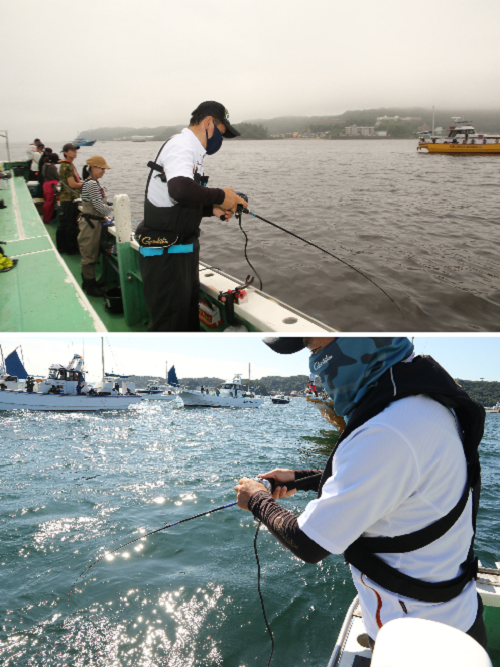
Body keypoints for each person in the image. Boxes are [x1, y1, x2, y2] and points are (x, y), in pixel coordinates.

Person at [234, 337, 487, 651]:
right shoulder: (418, 402)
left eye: (315, 348)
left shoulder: (387, 431)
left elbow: (309, 543)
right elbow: (384, 479)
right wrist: (298, 479)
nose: (315, 364)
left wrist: (257, 499)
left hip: (422, 644)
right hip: (452, 620)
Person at [135, 101, 248, 332]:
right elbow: (179, 188)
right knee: (170, 326)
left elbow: (177, 200)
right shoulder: (182, 145)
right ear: (208, 123)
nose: (220, 139)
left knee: (186, 321)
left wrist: (213, 209)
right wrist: (221, 196)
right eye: (221, 132)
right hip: (166, 256)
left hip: (181, 253)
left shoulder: (194, 153)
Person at [78, 155, 113, 296]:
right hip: (90, 224)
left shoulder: (92, 182)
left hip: (94, 222)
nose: (103, 171)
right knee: (89, 255)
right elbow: (99, 206)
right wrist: (113, 208)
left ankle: (89, 282)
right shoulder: (91, 183)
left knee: (92, 253)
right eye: (101, 168)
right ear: (92, 168)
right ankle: (90, 287)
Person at [57, 143, 83, 254]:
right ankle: (71, 249)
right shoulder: (67, 166)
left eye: (75, 150)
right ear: (65, 152)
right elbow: (72, 184)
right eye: (71, 150)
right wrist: (87, 184)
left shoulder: (66, 165)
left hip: (66, 198)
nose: (74, 152)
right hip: (70, 198)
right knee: (70, 224)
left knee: (65, 223)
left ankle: (62, 247)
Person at [42, 153, 60, 223]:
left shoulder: (45, 165)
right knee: (50, 203)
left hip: (45, 184)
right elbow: (57, 177)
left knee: (47, 203)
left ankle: (46, 218)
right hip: (51, 185)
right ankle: (47, 219)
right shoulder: (52, 167)